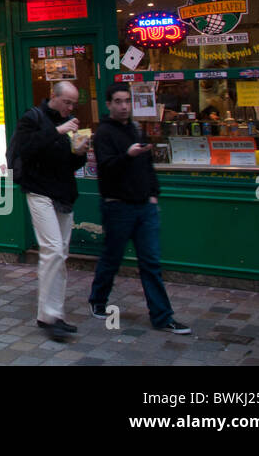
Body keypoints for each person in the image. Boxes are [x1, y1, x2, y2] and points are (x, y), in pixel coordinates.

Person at [88, 82, 191, 334]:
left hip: (144, 207)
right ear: (109, 104)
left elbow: (146, 165)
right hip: (118, 207)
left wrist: (154, 194)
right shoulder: (103, 133)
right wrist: (128, 156)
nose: (124, 106)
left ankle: (162, 316)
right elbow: (106, 168)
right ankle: (98, 300)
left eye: (127, 101)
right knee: (112, 258)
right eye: (119, 102)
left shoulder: (135, 129)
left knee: (151, 262)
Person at [9, 80, 89, 339]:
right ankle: (48, 316)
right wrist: (58, 131)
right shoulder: (32, 118)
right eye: (67, 102)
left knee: (60, 254)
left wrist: (79, 152)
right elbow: (27, 150)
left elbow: (70, 164)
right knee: (52, 249)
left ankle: (54, 314)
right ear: (53, 97)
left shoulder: (70, 123)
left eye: (73, 104)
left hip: (64, 193)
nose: (70, 108)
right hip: (39, 192)